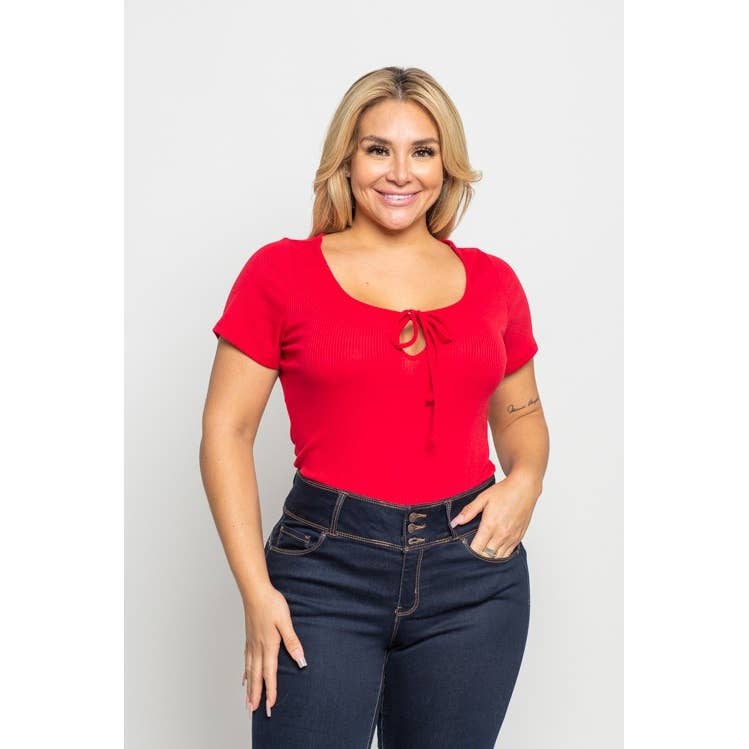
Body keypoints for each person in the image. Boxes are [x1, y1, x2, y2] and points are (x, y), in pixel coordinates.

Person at [200, 65, 549, 748]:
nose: (400, 172)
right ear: (347, 159)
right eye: (377, 149)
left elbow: (521, 418)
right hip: (323, 572)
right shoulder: (280, 273)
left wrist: (526, 479)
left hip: (472, 575)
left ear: (446, 165)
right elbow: (226, 430)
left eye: (422, 151)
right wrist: (256, 591)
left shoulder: (493, 282)